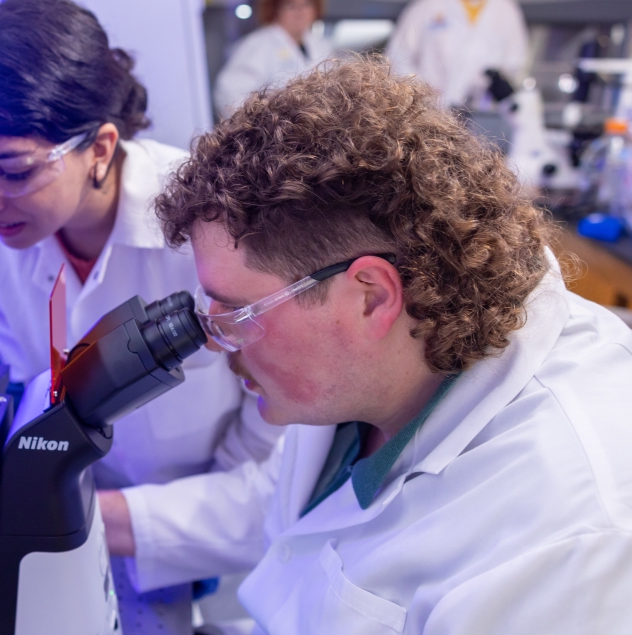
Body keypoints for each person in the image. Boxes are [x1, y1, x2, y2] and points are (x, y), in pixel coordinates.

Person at [100, 56, 632, 632]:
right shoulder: (373, 374)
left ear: (371, 296)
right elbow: (298, 534)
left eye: (239, 312)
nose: (216, 343)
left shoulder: (567, 532)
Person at [386, 0, 529, 109]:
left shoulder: (506, 10)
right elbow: (397, 57)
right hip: (429, 109)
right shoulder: (428, 5)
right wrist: (422, 91)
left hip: (482, 113)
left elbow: (516, 63)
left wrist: (500, 83)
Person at [213, 0, 333, 118]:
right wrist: (256, 126)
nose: (300, 12)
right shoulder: (257, 45)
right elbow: (228, 92)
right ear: (276, 9)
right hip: (274, 130)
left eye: (306, 4)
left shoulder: (321, 45)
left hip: (315, 127)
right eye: (291, 6)